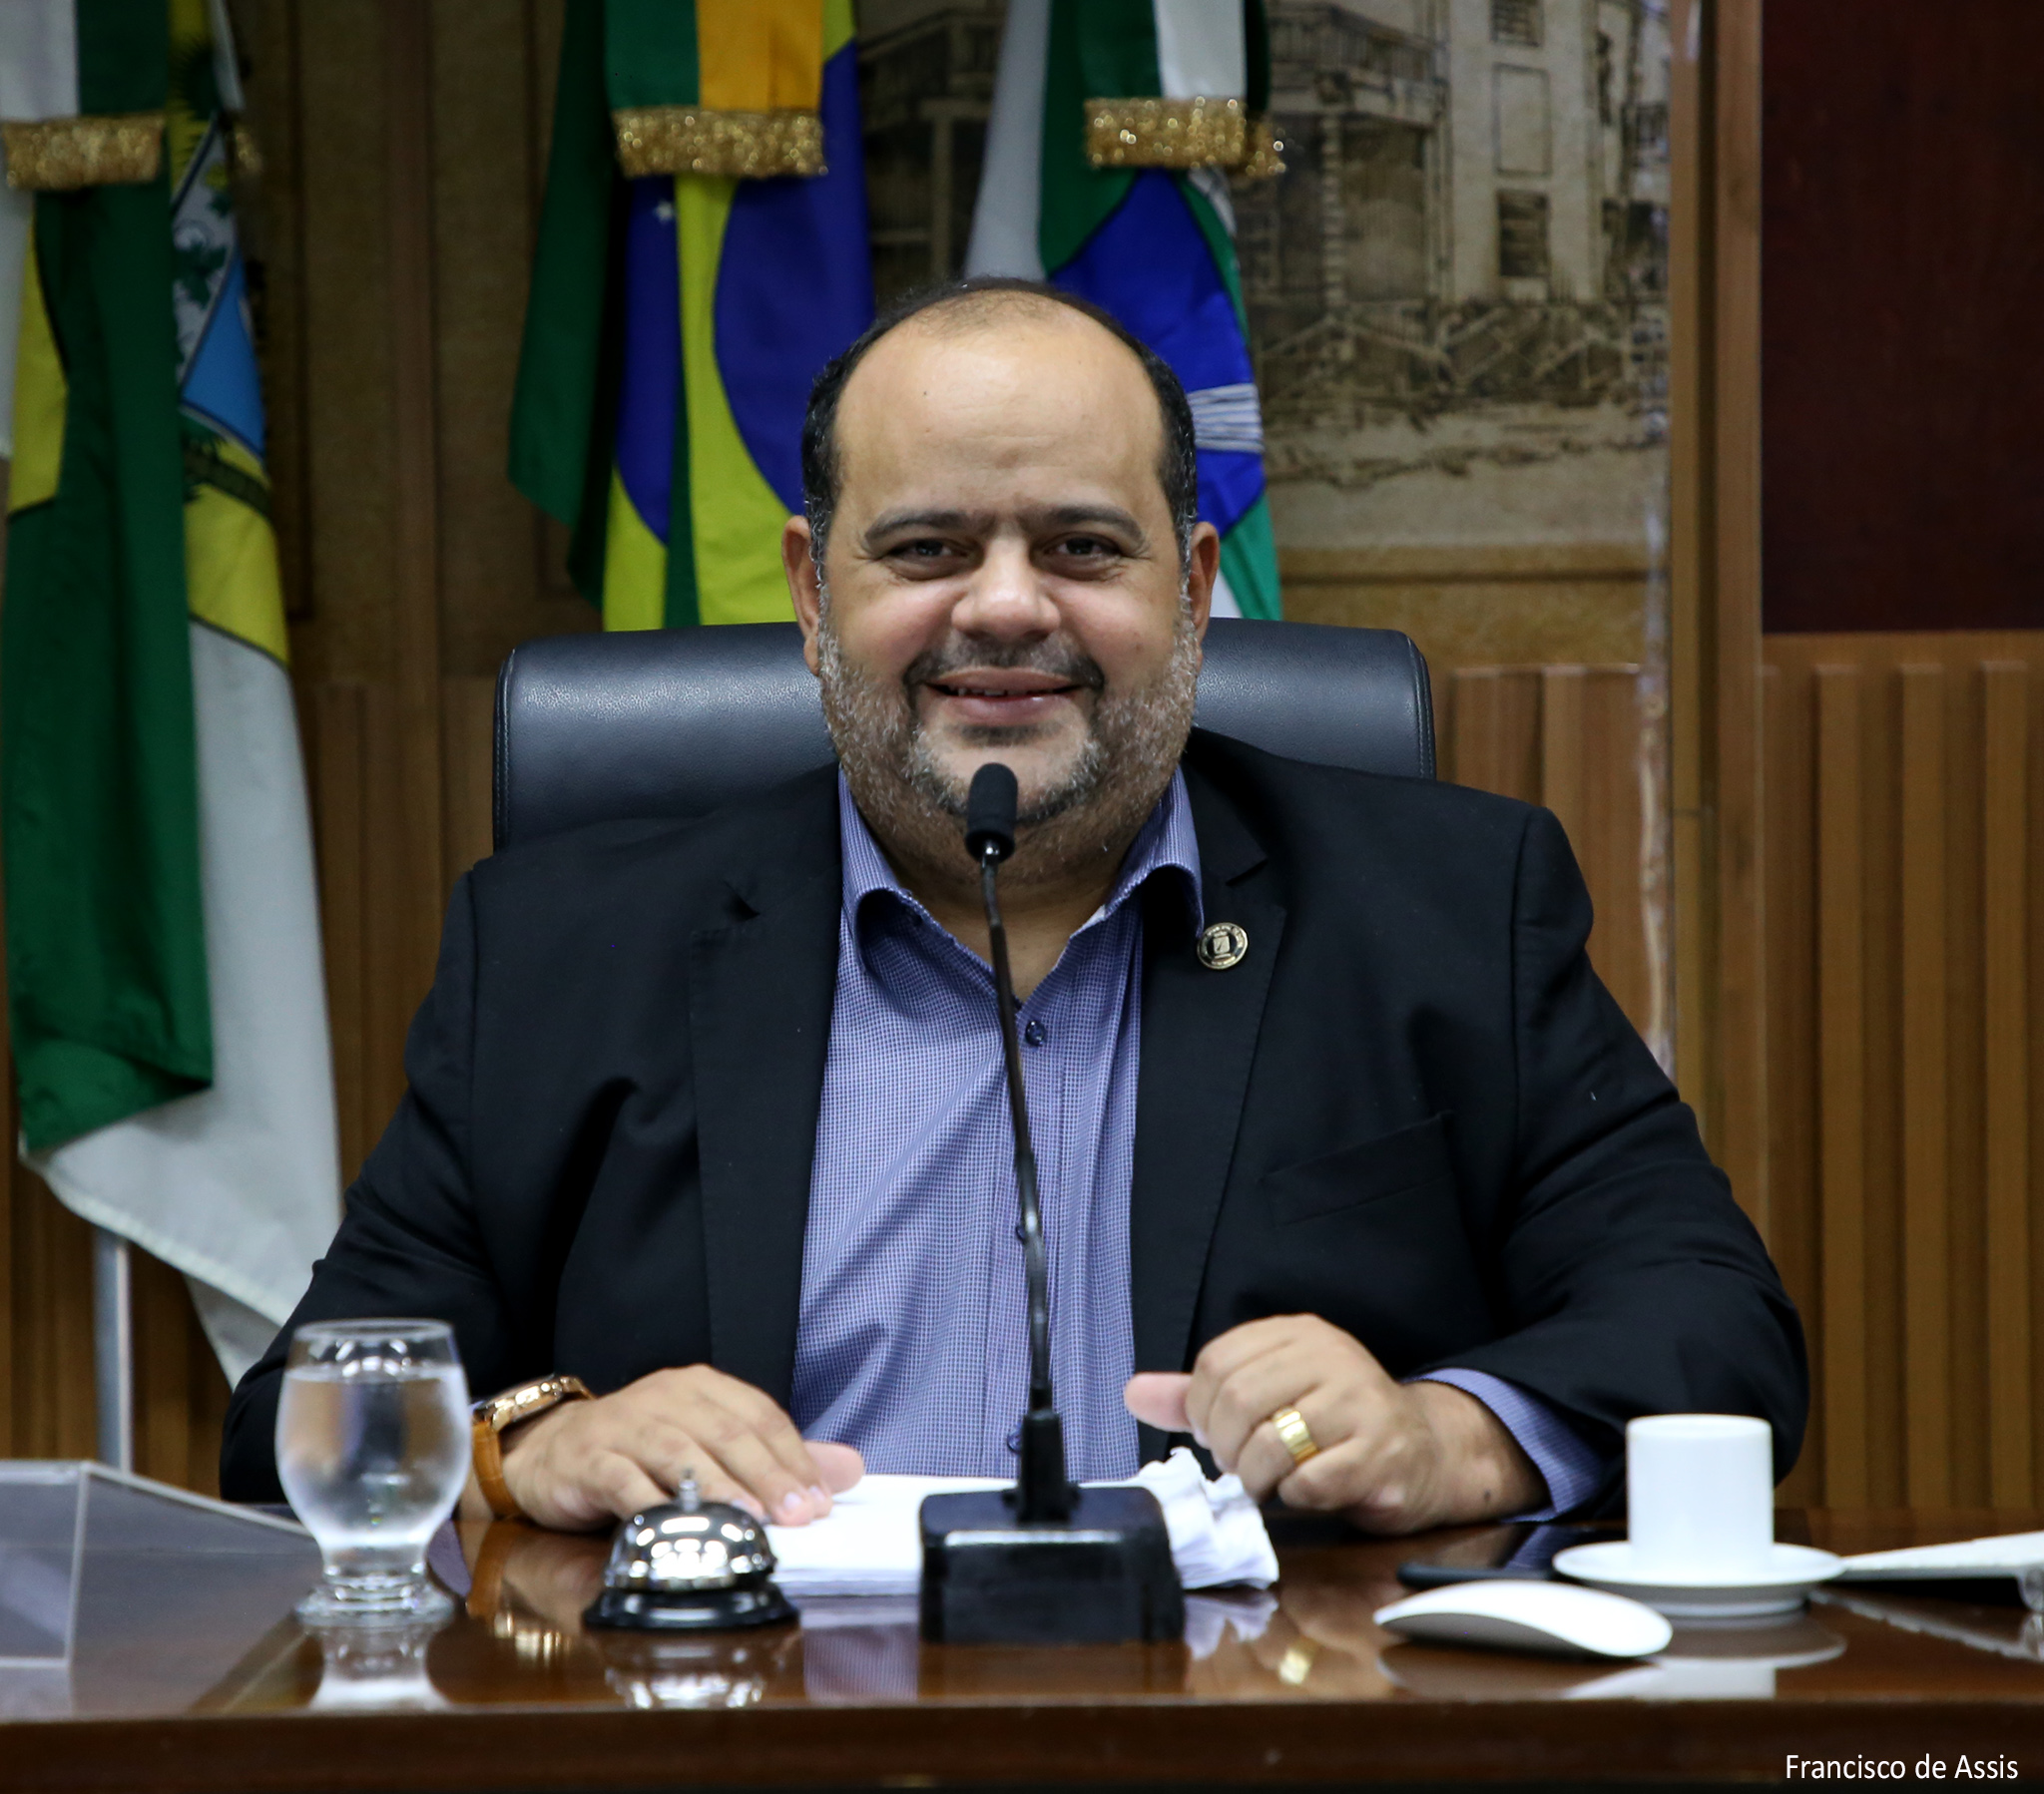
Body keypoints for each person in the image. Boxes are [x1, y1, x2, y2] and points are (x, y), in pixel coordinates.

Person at [222, 280, 1806, 1533]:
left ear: (1193, 591)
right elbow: (294, 1414)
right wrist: (527, 1446)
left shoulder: (1444, 906)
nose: (1001, 604)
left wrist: (1441, 1434)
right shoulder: (565, 950)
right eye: (926, 546)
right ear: (810, 593)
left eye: (1081, 546)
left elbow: (1715, 1327)